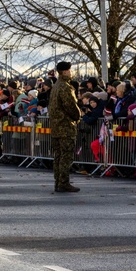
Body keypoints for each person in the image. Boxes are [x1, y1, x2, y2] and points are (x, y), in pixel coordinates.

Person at [49, 60, 82, 193]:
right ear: (65, 71)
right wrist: (78, 116)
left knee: (58, 156)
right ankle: (64, 182)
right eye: (70, 70)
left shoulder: (56, 86)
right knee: (66, 156)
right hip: (65, 126)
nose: (71, 72)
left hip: (56, 126)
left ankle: (58, 181)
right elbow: (71, 107)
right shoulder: (65, 87)